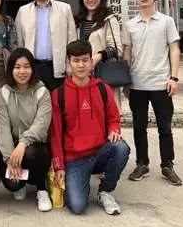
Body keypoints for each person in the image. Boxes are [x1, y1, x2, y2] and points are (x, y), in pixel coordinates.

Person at [50, 41, 130, 215]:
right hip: (74, 159)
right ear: (69, 62)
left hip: (99, 152)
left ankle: (105, 191)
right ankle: (79, 181)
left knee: (121, 147)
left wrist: (114, 130)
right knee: (77, 206)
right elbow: (55, 135)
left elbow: (113, 118)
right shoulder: (59, 95)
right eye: (76, 60)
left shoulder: (103, 89)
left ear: (91, 61)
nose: (81, 65)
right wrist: (59, 166)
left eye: (85, 60)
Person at [122, 0, 182, 186]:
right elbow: (127, 54)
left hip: (161, 83)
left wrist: (174, 77)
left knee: (164, 127)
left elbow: (174, 49)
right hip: (137, 84)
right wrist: (126, 81)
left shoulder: (166, 21)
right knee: (139, 127)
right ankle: (142, 163)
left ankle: (167, 165)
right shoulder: (130, 25)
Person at [0, 48, 53, 211]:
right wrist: (10, 160)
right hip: (13, 148)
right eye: (17, 67)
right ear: (11, 69)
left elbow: (41, 125)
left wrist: (23, 143)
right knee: (12, 184)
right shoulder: (3, 93)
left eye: (26, 66)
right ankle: (21, 183)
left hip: (36, 147)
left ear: (33, 68)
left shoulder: (42, 92)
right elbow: (3, 129)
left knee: (32, 153)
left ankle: (41, 189)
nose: (22, 71)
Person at [15, 0, 77, 92]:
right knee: (33, 102)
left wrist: (70, 66)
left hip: (57, 68)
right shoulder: (23, 11)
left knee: (58, 101)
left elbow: (72, 41)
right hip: (32, 68)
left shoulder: (65, 9)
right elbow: (19, 43)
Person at [74, 0, 123, 107]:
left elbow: (117, 49)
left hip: (103, 75)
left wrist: (97, 57)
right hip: (82, 76)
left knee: (105, 111)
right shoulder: (78, 22)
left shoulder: (109, 19)